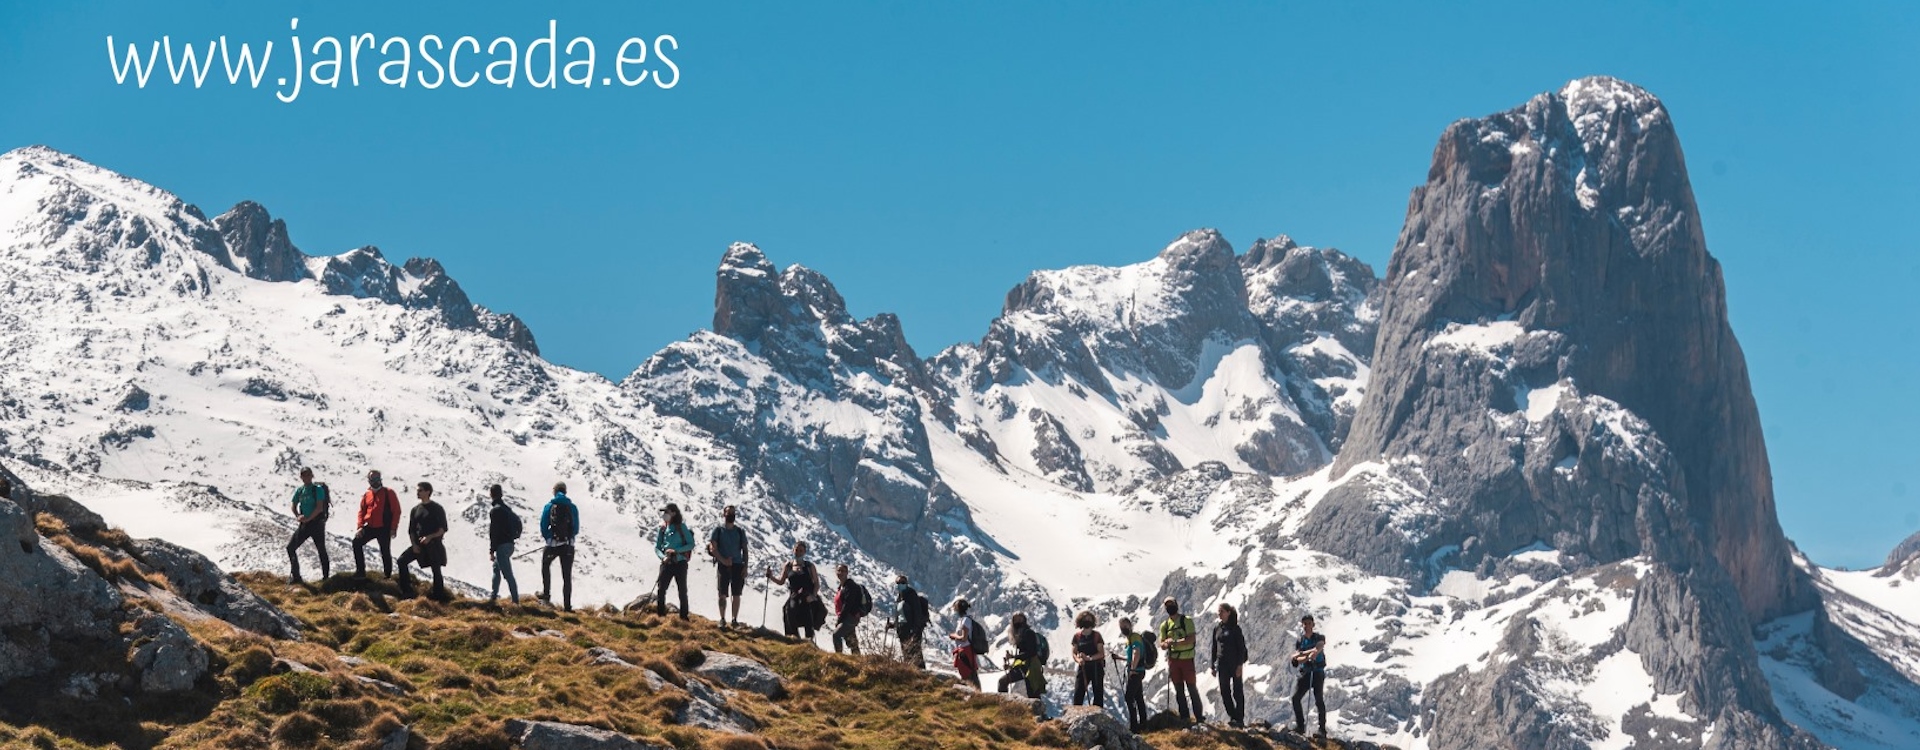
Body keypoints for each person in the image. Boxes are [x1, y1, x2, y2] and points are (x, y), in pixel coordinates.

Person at [395, 482, 449, 600]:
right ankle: (407, 591)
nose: (417, 492)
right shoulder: (415, 510)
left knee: (436, 569)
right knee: (401, 561)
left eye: (420, 490)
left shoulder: (437, 509)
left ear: (427, 492)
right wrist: (414, 544)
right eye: (417, 490)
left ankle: (438, 597)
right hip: (419, 544)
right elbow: (411, 530)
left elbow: (443, 529)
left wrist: (430, 537)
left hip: (434, 544)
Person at [1158, 597, 1204, 725]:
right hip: (1173, 661)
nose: (1169, 607)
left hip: (1187, 659)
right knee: (1179, 690)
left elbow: (1191, 639)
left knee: (1191, 688)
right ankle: (1185, 718)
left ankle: (1199, 717)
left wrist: (1175, 643)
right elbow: (1161, 644)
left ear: (1176, 605)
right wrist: (1166, 644)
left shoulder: (1186, 621)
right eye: (1167, 605)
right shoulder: (1165, 625)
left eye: (1171, 604)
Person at [766, 541, 821, 640]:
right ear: (793, 550)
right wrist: (771, 577)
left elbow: (816, 583)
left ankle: (809, 639)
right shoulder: (788, 566)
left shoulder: (809, 566)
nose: (798, 553)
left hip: (807, 595)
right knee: (789, 610)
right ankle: (794, 636)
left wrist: (813, 596)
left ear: (804, 552)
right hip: (794, 595)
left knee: (808, 615)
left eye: (801, 551)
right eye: (796, 550)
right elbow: (781, 581)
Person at [351, 470, 402, 578]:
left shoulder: (389, 493)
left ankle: (387, 576)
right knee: (356, 542)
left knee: (385, 551)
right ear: (369, 480)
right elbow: (362, 511)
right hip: (370, 526)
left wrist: (393, 528)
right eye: (373, 479)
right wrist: (360, 527)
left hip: (384, 527)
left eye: (377, 478)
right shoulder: (367, 494)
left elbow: (396, 511)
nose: (376, 481)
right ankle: (360, 572)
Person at [706, 505, 749, 628]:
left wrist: (745, 566)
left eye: (733, 513)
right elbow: (713, 548)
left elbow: (745, 550)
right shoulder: (718, 531)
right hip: (723, 565)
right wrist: (723, 560)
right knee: (722, 593)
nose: (731, 515)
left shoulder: (740, 532)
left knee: (736, 594)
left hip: (737, 565)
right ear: (723, 515)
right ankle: (722, 619)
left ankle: (734, 620)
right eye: (729, 513)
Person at [285, 468, 330, 583]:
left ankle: (326, 578)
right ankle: (296, 577)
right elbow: (293, 504)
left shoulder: (317, 489)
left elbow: (319, 508)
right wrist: (298, 515)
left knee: (321, 550)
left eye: (308, 475)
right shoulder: (300, 490)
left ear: (312, 476)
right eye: (304, 475)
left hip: (316, 524)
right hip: (305, 524)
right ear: (301, 477)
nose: (306, 477)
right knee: (290, 548)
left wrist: (308, 518)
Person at [539, 482, 579, 612]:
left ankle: (546, 595)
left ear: (554, 491)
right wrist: (568, 538)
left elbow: (543, 525)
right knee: (566, 575)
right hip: (568, 545)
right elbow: (576, 527)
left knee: (546, 565)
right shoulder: (572, 507)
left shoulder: (549, 506)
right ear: (565, 492)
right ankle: (567, 606)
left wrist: (550, 538)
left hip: (553, 545)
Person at [653, 503, 695, 619]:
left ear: (674, 514)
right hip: (667, 562)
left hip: (680, 562)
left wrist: (676, 550)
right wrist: (663, 557)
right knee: (661, 589)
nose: (665, 515)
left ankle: (684, 617)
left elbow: (691, 544)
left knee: (682, 590)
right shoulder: (663, 529)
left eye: (667, 512)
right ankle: (661, 615)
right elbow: (657, 547)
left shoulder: (681, 527)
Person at [1289, 614, 1328, 737]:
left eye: (1309, 623)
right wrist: (1307, 655)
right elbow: (1298, 660)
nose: (1307, 626)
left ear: (1313, 625)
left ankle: (1322, 729)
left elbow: (1318, 648)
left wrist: (1302, 654)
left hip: (1317, 673)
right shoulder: (1300, 641)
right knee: (1295, 698)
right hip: (1305, 673)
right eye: (1305, 624)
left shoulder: (1319, 637)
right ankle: (1300, 726)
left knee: (1319, 700)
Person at [1211, 603, 1249, 727]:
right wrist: (1213, 665)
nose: (1219, 613)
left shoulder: (1235, 629)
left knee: (1237, 691)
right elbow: (1214, 648)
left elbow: (1241, 648)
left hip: (1234, 664)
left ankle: (1240, 718)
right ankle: (1233, 716)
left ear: (1228, 612)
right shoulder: (1217, 628)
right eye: (1219, 611)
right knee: (1224, 691)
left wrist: (1239, 665)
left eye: (1221, 611)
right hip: (1222, 665)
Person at [486, 484, 521, 604]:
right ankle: (493, 597)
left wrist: (491, 550)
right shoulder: (507, 509)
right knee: (497, 568)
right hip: (510, 545)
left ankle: (515, 601)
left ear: (491, 494)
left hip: (501, 545)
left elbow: (493, 531)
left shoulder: (495, 510)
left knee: (507, 574)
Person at [1115, 617, 1150, 733]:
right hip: (1138, 670)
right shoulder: (1130, 638)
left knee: (1129, 697)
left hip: (1136, 671)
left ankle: (1134, 726)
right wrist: (1119, 657)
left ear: (1130, 625)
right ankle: (1143, 723)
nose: (1123, 629)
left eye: (1125, 626)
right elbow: (1131, 657)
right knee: (1138, 696)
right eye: (1122, 627)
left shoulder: (1134, 637)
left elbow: (1136, 653)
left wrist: (1132, 670)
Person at [997, 612, 1042, 698]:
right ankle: (1004, 704)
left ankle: (1004, 703)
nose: (1017, 622)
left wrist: (1014, 657)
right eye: (1015, 620)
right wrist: (1011, 666)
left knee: (1033, 695)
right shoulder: (1020, 635)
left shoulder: (1028, 633)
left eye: (1019, 619)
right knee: (1003, 681)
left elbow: (1031, 652)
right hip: (1024, 668)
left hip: (1031, 668)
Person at [1070, 610, 1106, 707]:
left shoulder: (1096, 636)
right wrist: (1079, 660)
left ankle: (1098, 715)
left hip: (1096, 667)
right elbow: (1074, 652)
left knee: (1098, 694)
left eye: (1089, 619)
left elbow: (1101, 653)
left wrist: (1088, 658)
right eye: (1085, 619)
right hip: (1083, 667)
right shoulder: (1077, 637)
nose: (1087, 621)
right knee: (1078, 692)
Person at [894, 575, 930, 669]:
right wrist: (893, 625)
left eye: (902, 583)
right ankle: (911, 673)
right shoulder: (899, 598)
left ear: (906, 584)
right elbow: (900, 616)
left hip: (912, 631)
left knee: (915, 652)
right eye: (898, 583)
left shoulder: (911, 595)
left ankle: (922, 674)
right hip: (903, 631)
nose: (900, 585)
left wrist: (914, 629)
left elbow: (917, 613)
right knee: (906, 653)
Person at [831, 564, 868, 655]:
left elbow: (848, 605)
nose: (840, 573)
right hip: (848, 616)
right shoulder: (842, 587)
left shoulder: (850, 586)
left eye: (843, 571)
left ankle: (839, 657)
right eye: (838, 571)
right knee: (852, 641)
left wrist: (840, 620)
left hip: (850, 617)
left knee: (836, 635)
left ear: (847, 573)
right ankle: (858, 660)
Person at [947, 598, 983, 689]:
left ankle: (975, 691)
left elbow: (964, 637)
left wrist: (954, 636)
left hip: (966, 650)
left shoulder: (966, 621)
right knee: (967, 672)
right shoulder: (963, 620)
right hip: (963, 650)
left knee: (968, 672)